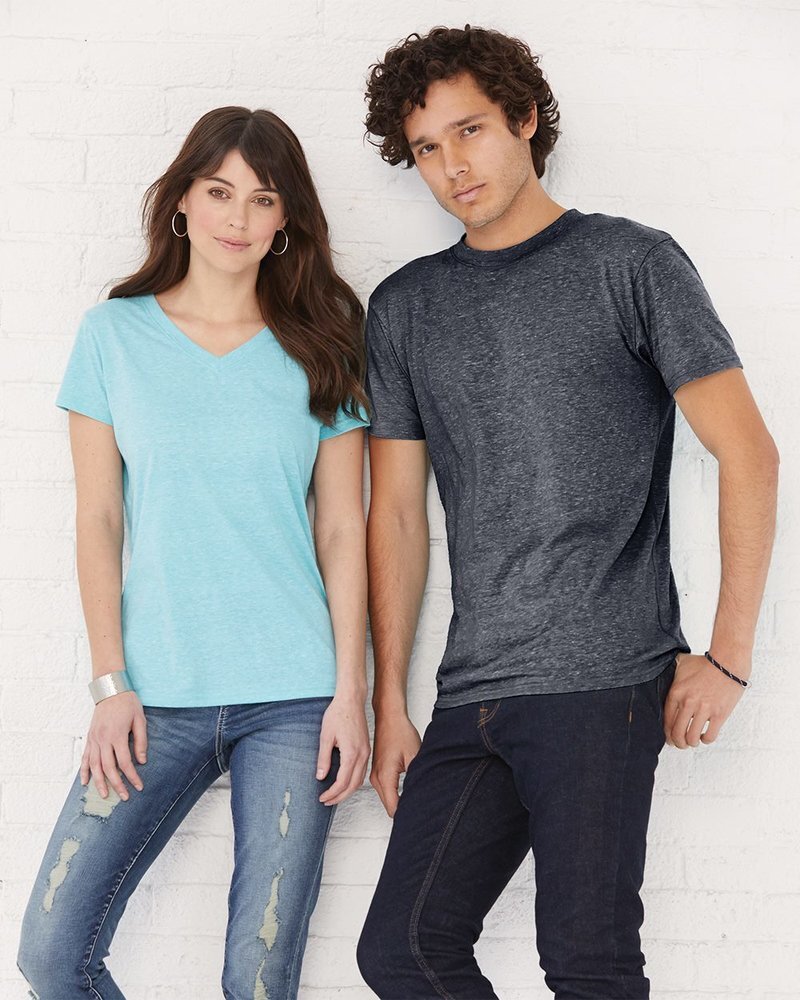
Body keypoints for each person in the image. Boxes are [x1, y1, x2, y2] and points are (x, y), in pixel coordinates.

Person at [356, 25, 779, 1000]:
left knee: (588, 966)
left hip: (603, 679)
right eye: (426, 148)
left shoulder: (630, 264)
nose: (452, 166)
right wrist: (388, 703)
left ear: (523, 118)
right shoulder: (405, 309)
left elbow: (747, 452)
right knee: (404, 950)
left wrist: (726, 656)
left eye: (469, 130)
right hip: (471, 689)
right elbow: (396, 517)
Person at [17, 106, 371, 1000]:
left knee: (258, 979)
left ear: (285, 219)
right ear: (181, 200)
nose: (237, 218)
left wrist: (352, 692)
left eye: (263, 199)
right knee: (52, 956)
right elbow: (98, 519)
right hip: (153, 696)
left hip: (295, 700)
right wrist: (110, 683)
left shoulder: (324, 341)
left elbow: (343, 528)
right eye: (219, 192)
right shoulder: (114, 336)